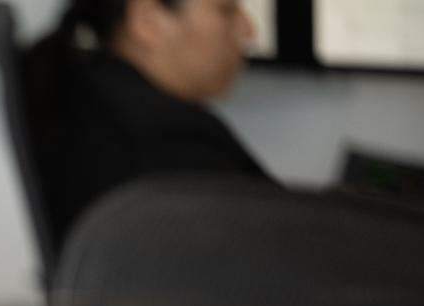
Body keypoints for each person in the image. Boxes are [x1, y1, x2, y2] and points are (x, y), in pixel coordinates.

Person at [23, 0, 272, 249]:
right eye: (226, 11)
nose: (248, 30)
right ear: (147, 19)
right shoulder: (168, 144)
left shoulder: (88, 93)